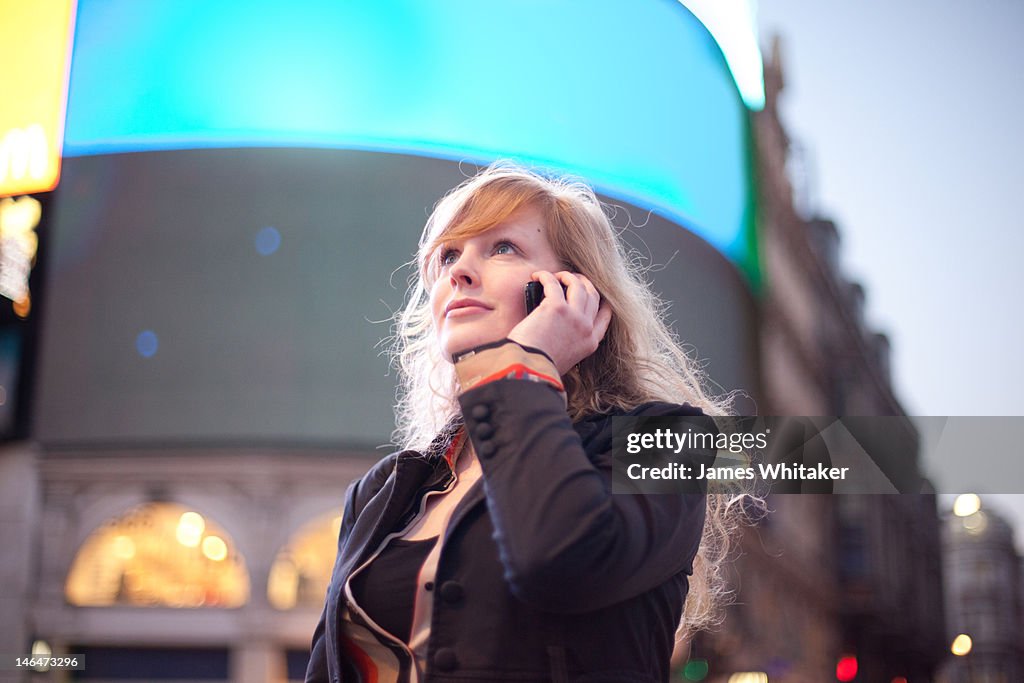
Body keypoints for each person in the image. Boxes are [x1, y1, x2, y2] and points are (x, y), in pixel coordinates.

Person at [306, 162, 743, 683]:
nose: (459, 272)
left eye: (502, 248)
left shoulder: (673, 440)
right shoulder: (383, 490)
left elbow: (560, 560)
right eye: (448, 255)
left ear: (574, 290)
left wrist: (526, 365)